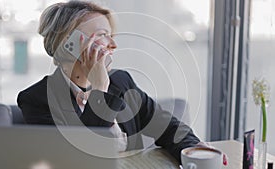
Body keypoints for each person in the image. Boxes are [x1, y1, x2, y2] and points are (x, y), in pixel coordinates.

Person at [17, 0, 226, 164]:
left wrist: (196, 150)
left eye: (111, 35)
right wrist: (99, 90)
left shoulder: (121, 81)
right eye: (103, 35)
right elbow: (82, 158)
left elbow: (165, 126)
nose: (113, 45)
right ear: (70, 44)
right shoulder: (37, 99)